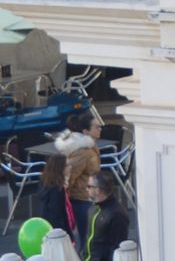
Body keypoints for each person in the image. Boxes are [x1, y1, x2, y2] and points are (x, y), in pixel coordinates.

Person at [55, 112, 101, 245]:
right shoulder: (83, 151)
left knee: (91, 238)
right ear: (86, 131)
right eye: (96, 127)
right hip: (82, 201)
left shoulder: (91, 147)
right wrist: (65, 204)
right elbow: (69, 177)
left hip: (89, 198)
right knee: (87, 240)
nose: (100, 129)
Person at [82, 171, 130, 261]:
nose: (86, 189)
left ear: (98, 190)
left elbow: (118, 248)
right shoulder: (93, 208)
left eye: (89, 186)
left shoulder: (117, 214)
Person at [37, 153, 74, 245]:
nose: (70, 167)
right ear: (60, 168)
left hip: (48, 226)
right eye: (67, 165)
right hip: (59, 231)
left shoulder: (45, 182)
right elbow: (58, 213)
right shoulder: (57, 189)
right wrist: (67, 234)